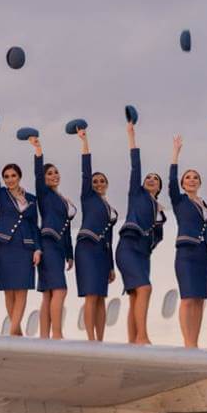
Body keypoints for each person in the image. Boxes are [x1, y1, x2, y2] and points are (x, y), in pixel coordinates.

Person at [0, 130, 41, 336]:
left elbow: (35, 225)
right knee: (9, 290)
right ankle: (16, 329)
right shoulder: (1, 195)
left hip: (24, 246)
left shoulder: (32, 199)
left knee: (22, 289)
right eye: (6, 177)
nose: (9, 179)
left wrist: (38, 249)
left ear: (19, 176)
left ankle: (15, 328)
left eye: (13, 176)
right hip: (5, 245)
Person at [115, 122, 166, 344]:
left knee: (136, 295)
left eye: (155, 179)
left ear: (159, 187)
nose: (150, 179)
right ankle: (142, 337)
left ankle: (133, 339)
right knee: (145, 289)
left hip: (143, 254)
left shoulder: (159, 211)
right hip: (129, 246)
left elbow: (157, 238)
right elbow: (135, 166)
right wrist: (131, 137)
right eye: (148, 178)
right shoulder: (137, 195)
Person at [169, 135, 207, 348]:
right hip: (186, 253)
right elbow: (171, 182)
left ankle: (195, 341)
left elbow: (206, 234)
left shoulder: (204, 205)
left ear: (199, 183)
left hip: (202, 254)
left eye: (195, 178)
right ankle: (188, 342)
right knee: (188, 298)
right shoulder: (179, 200)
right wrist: (175, 154)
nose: (192, 180)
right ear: (183, 183)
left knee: (200, 300)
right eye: (188, 177)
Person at [74, 129, 118, 341]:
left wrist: (111, 266)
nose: (99, 183)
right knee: (91, 295)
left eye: (102, 181)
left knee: (101, 296)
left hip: (102, 251)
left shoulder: (109, 207)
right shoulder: (88, 198)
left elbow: (110, 238)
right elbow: (85, 171)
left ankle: (100, 337)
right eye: (95, 181)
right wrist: (85, 143)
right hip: (87, 248)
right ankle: (90, 337)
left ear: (107, 184)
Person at [30, 135, 75, 339]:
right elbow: (38, 177)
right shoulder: (45, 194)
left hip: (59, 246)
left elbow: (66, 227)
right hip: (48, 244)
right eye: (50, 173)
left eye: (56, 173)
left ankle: (45, 336)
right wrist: (38, 151)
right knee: (59, 289)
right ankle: (56, 333)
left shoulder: (61, 198)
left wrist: (69, 253)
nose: (54, 175)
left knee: (49, 292)